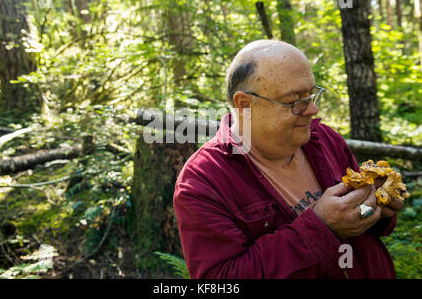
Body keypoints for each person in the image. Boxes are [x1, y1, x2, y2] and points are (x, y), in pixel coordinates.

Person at [173, 39, 404, 279]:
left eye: (312, 95)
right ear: (245, 105)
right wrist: (320, 227)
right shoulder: (203, 181)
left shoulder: (324, 139)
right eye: (295, 101)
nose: (312, 110)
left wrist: (376, 209)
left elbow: (365, 226)